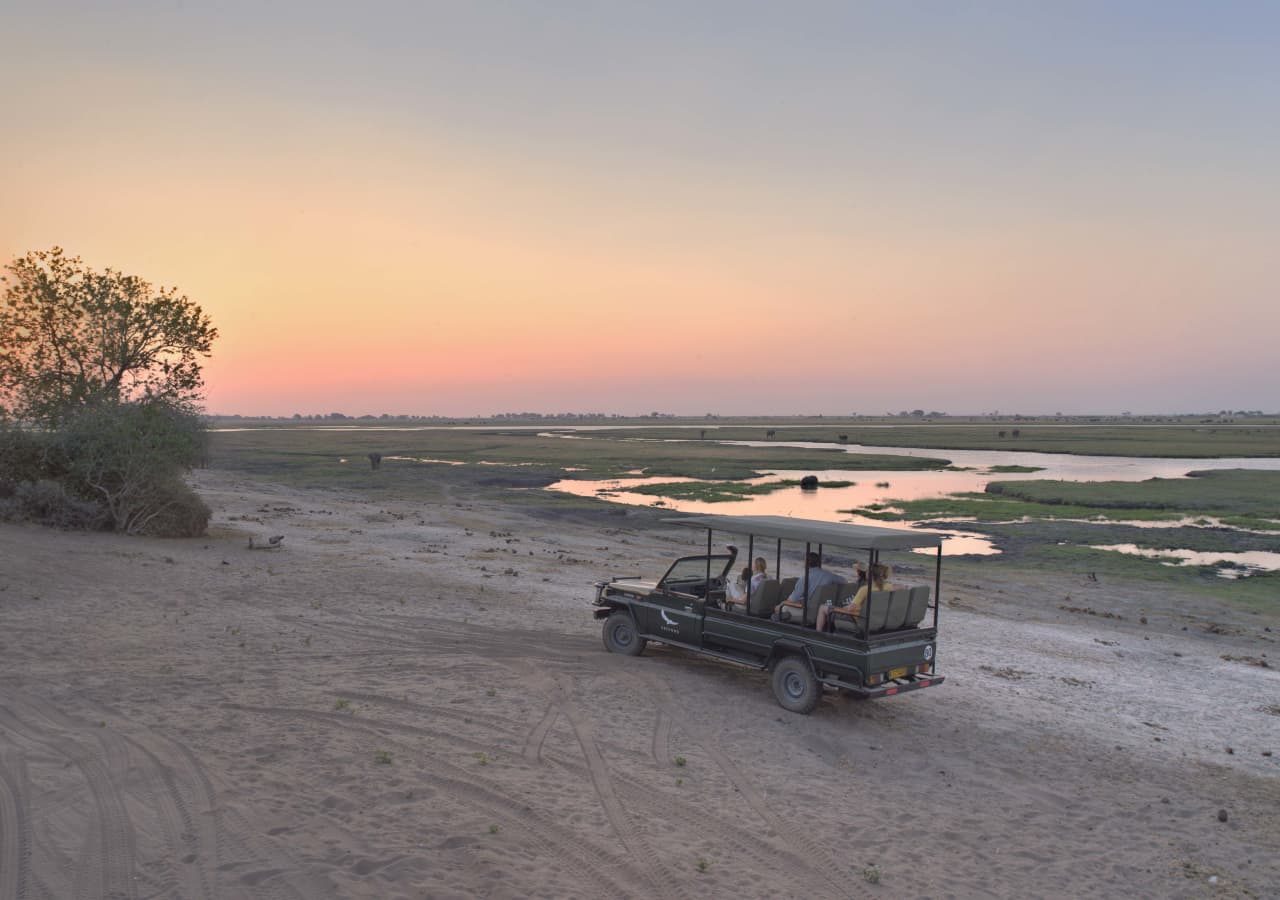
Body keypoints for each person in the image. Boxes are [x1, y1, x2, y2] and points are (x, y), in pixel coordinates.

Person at [816, 563, 893, 633]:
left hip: (859, 618)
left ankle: (818, 633)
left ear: (869, 574)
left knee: (823, 608)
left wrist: (842, 608)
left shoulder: (865, 589)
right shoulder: (889, 587)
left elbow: (850, 609)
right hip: (876, 619)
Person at [774, 552, 845, 620]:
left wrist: (781, 604)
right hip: (822, 609)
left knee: (782, 608)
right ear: (818, 563)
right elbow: (844, 580)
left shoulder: (804, 579)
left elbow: (792, 600)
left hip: (808, 612)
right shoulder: (829, 575)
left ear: (806, 563)